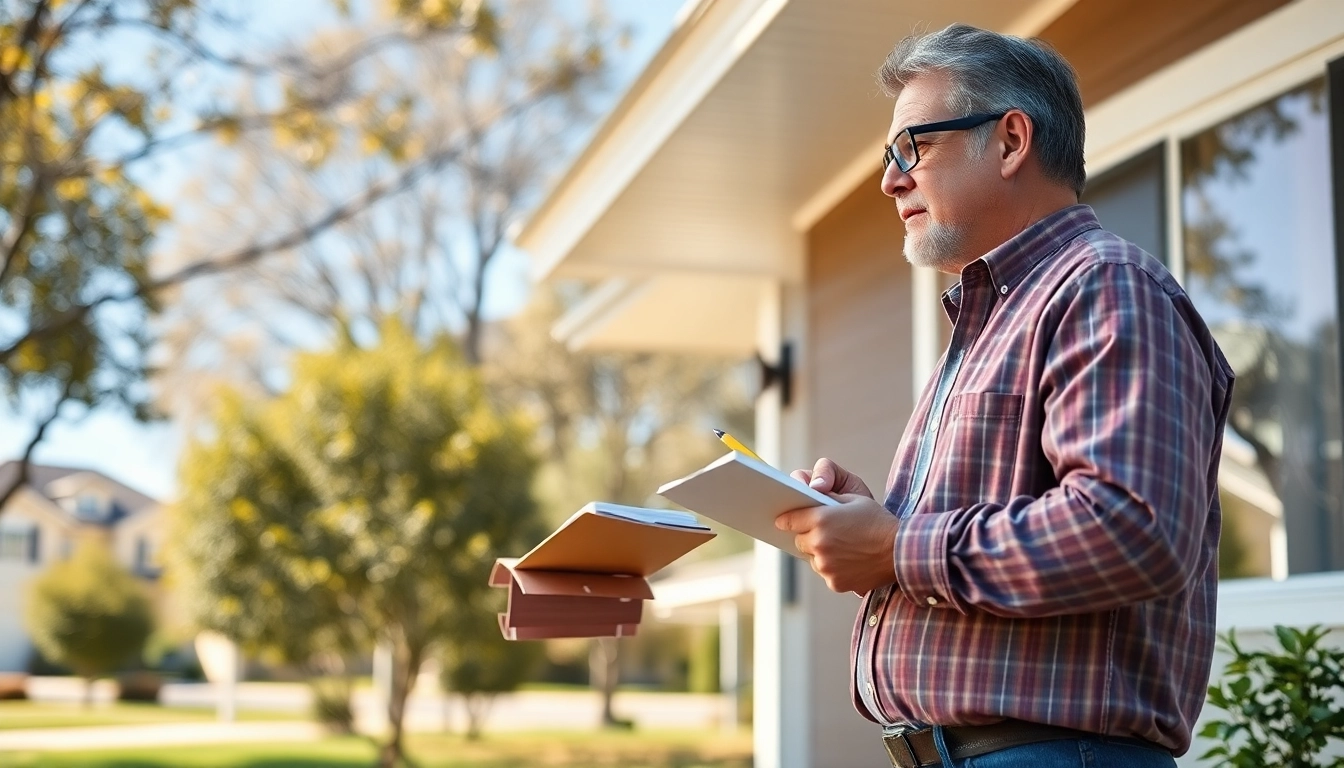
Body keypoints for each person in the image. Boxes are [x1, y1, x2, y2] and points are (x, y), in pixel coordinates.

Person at [774, 23, 1234, 768]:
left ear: (1012, 141)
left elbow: (1131, 527)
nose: (891, 180)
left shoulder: (1104, 286)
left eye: (911, 148)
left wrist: (894, 547)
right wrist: (878, 528)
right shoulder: (998, 316)